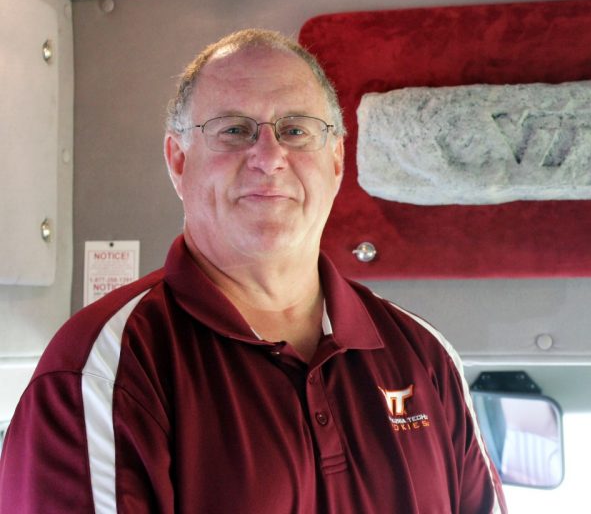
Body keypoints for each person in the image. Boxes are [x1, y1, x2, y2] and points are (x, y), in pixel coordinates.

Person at [0, 29, 507, 513]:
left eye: (295, 130)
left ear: (335, 162)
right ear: (178, 162)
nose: (269, 157)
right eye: (234, 130)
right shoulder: (103, 369)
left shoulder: (426, 357)